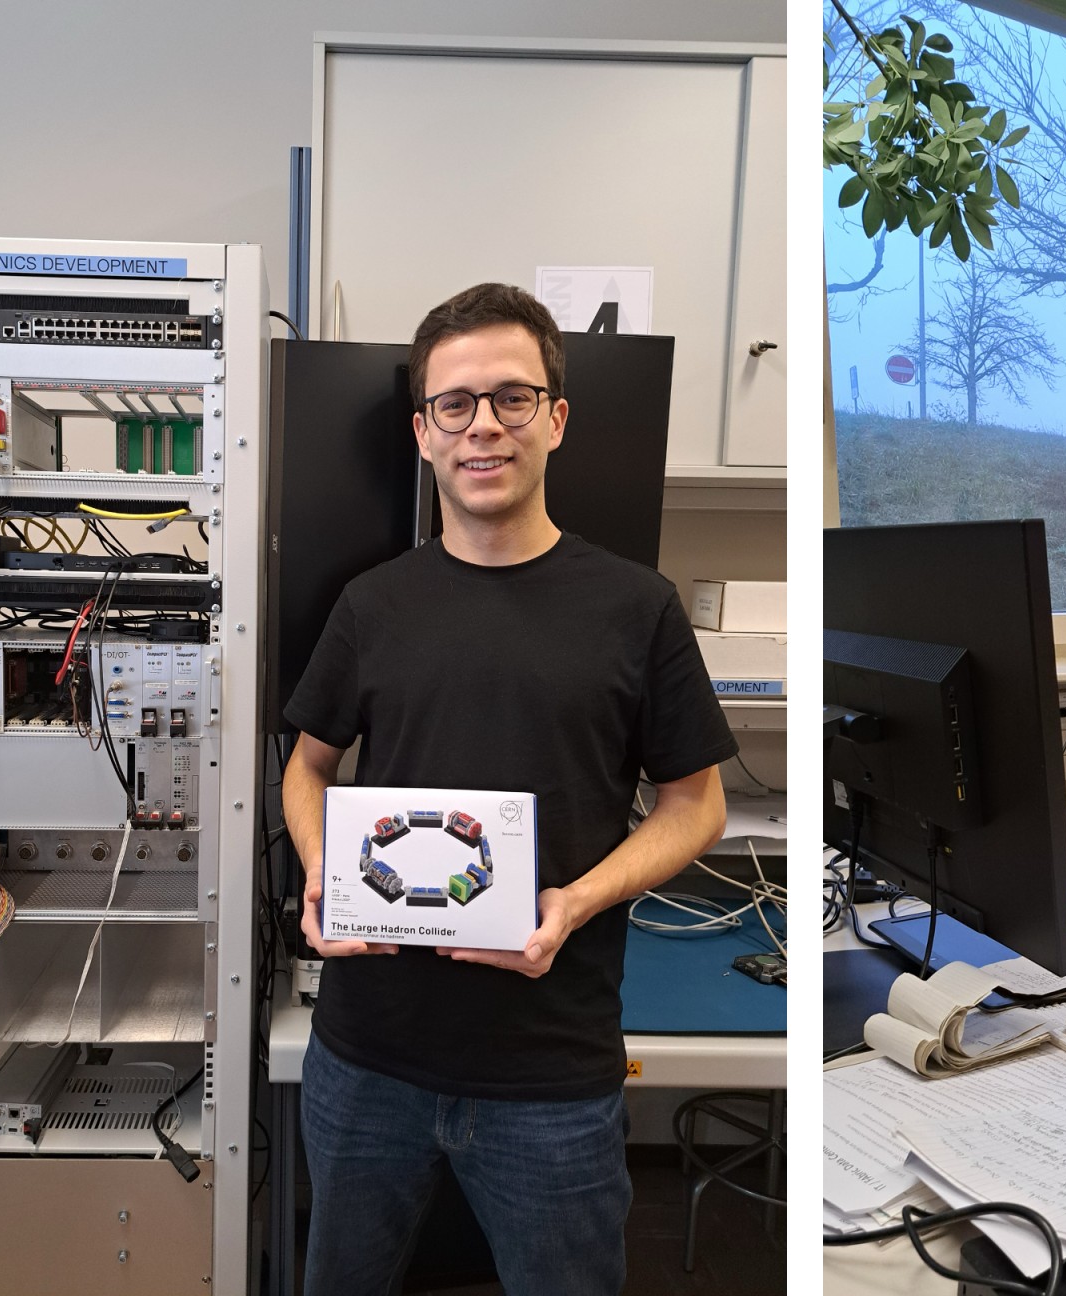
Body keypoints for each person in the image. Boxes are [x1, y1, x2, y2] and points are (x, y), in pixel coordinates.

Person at [281, 283, 738, 1295]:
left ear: (556, 418)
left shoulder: (637, 608)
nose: (482, 424)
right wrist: (321, 869)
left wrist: (575, 901)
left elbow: (695, 802)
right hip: (366, 1063)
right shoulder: (371, 605)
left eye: (511, 397)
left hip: (550, 1072)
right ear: (423, 431)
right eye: (455, 403)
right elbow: (306, 768)